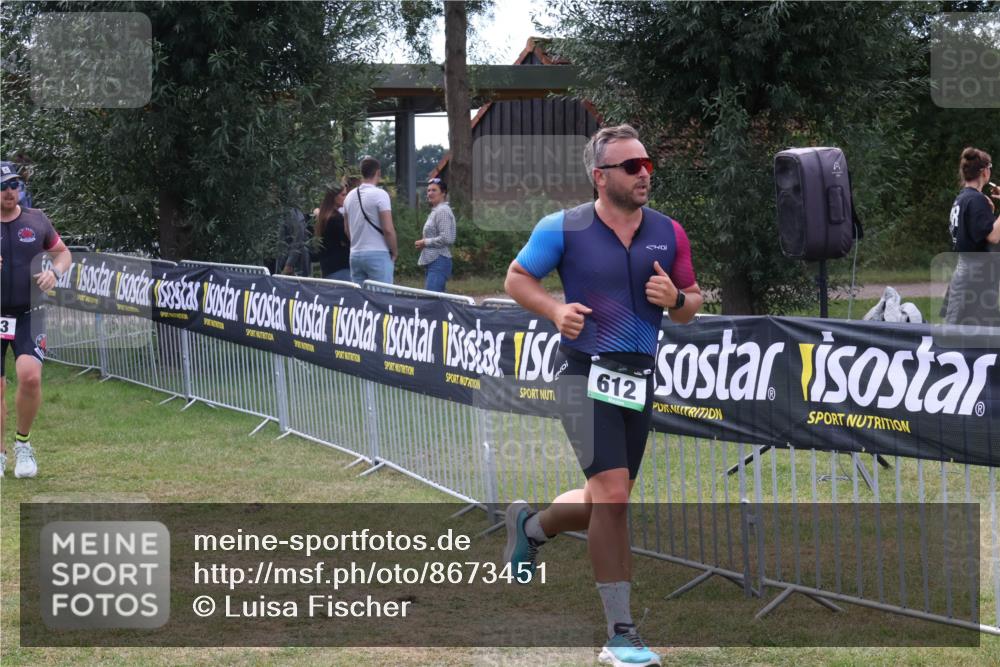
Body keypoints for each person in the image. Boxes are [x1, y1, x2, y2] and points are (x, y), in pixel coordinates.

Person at [502, 124, 702, 667]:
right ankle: (620, 634)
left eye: (647, 164)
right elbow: (517, 277)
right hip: (581, 374)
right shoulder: (563, 227)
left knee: (607, 498)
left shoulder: (668, 232)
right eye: (631, 166)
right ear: (600, 176)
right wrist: (555, 310)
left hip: (636, 378)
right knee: (612, 496)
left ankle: (531, 527)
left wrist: (676, 298)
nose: (644, 174)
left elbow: (691, 304)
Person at [0, 161, 72, 478]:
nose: (9, 191)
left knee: (30, 377)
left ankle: (23, 445)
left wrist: (54, 272)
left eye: (14, 185)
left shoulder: (36, 219)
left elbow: (63, 253)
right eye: (2, 186)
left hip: (30, 312)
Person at [944, 147, 1000, 327]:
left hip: (965, 273)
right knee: (976, 332)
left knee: (959, 328)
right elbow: (993, 237)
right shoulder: (976, 200)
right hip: (976, 279)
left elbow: (978, 233)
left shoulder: (962, 198)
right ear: (984, 172)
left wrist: (990, 213)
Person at [344, 156, 397, 284]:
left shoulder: (349, 196)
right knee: (381, 295)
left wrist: (357, 243)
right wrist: (394, 251)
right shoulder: (380, 194)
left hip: (355, 254)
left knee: (360, 296)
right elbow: (388, 229)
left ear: (361, 172)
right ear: (378, 172)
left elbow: (347, 229)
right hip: (378, 253)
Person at [415, 177, 456, 292]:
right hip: (433, 261)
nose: (430, 193)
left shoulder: (442, 211)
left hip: (439, 260)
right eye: (428, 190)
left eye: (434, 190)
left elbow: (447, 238)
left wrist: (425, 242)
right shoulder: (436, 211)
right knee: (437, 299)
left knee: (431, 299)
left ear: (443, 193)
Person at [312, 185, 352, 281]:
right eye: (343, 195)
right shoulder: (335, 219)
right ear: (334, 197)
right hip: (340, 268)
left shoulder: (323, 217)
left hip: (327, 268)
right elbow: (348, 239)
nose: (346, 198)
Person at [275, 201, 311, 276]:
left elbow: (298, 237)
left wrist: (289, 264)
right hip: (283, 263)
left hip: (294, 267)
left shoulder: (291, 211)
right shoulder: (280, 211)